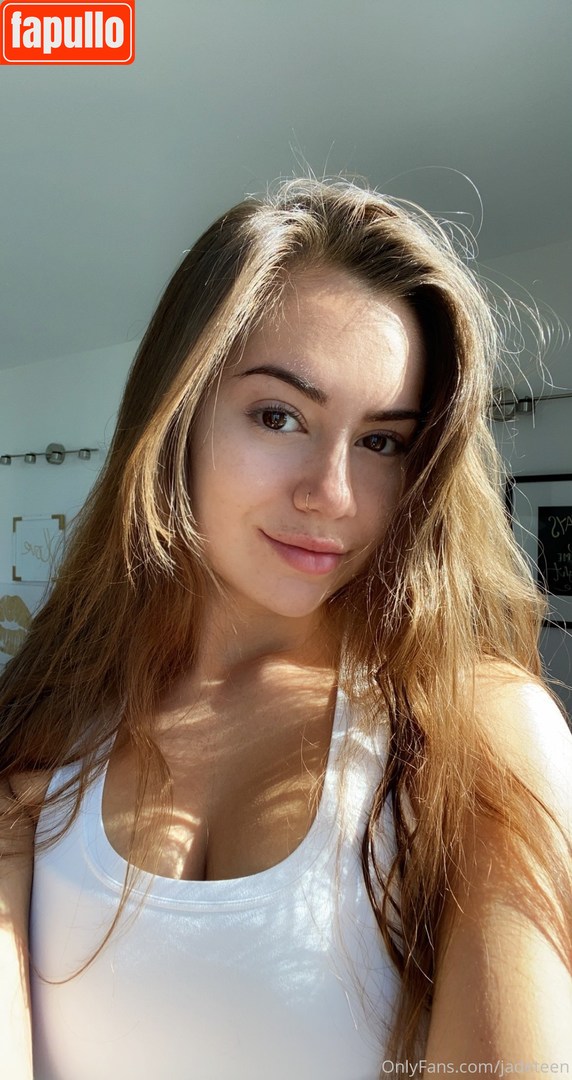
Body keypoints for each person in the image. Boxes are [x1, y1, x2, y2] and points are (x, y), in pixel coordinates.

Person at [1, 178, 571, 1080]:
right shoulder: (48, 720)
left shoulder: (477, 732)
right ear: (177, 415)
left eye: (382, 441)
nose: (332, 495)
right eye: (279, 417)